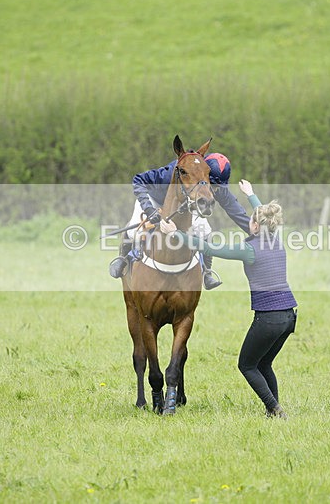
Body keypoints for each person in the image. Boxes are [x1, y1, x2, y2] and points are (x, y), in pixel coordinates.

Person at [159, 179, 297, 418]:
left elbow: (208, 248)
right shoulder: (276, 238)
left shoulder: (249, 249)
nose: (249, 222)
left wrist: (176, 233)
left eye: (251, 220)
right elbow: (265, 216)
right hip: (289, 316)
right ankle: (272, 411)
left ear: (254, 226)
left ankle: (275, 408)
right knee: (264, 364)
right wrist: (251, 194)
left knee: (247, 365)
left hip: (269, 319)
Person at [108, 150, 250, 290]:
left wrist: (259, 233)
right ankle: (123, 259)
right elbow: (139, 180)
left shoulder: (216, 187)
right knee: (134, 230)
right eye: (212, 184)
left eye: (217, 187)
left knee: (206, 231)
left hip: (186, 203)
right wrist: (149, 209)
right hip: (153, 199)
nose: (213, 190)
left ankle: (207, 272)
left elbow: (236, 211)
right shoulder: (169, 174)